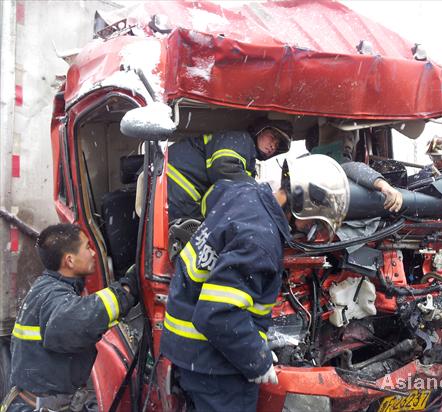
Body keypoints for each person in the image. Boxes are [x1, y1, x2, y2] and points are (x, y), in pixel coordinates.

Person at [160, 154, 349, 412]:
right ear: (302, 204)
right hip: (213, 362)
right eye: (315, 223)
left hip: (191, 347)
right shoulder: (259, 239)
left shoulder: (244, 192)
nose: (310, 231)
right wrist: (257, 360)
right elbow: (217, 315)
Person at [1, 224, 139, 412]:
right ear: (70, 261)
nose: (93, 253)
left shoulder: (47, 286)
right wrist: (127, 290)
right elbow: (81, 322)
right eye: (87, 248)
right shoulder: (54, 296)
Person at [167, 118, 293, 222]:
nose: (273, 146)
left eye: (277, 144)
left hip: (181, 194)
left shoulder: (249, 156)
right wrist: (262, 194)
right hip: (176, 186)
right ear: (261, 130)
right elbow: (224, 167)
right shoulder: (240, 139)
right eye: (272, 137)